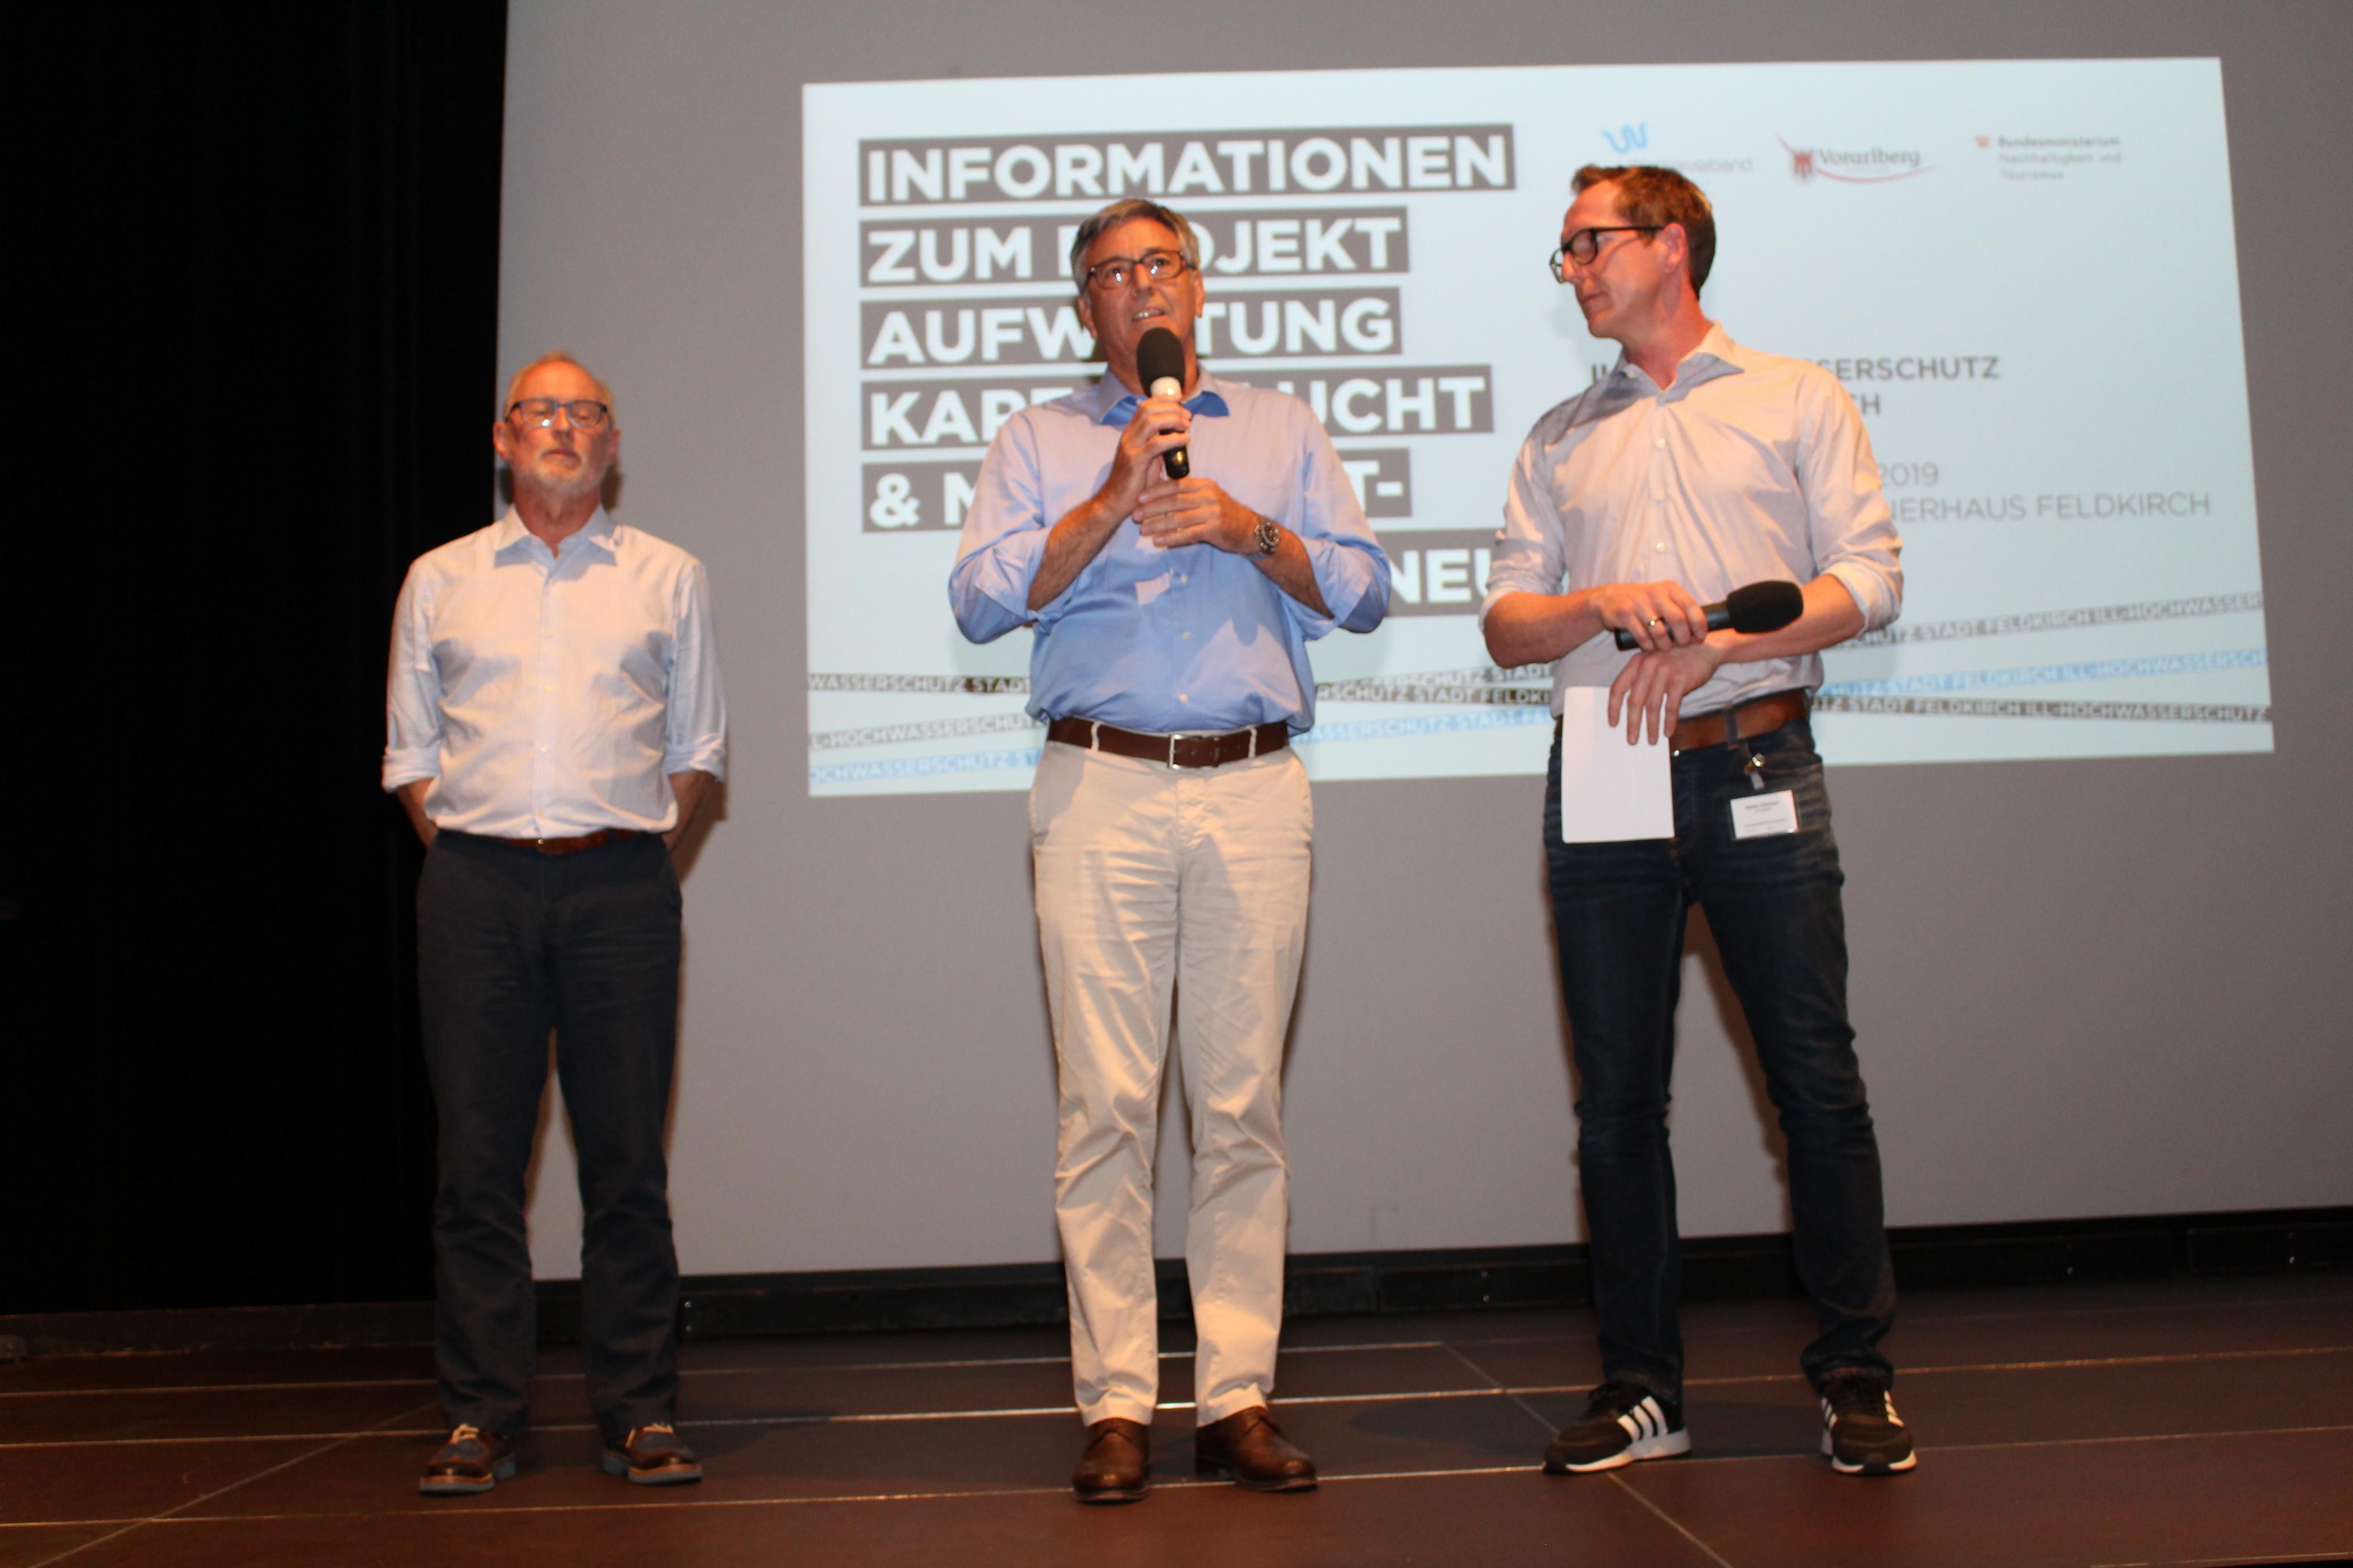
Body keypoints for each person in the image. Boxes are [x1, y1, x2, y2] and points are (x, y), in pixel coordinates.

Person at [950, 198, 1390, 1503]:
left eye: (1159, 265)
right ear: (1084, 307)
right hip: (1100, 782)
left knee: (1240, 1106)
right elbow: (978, 601)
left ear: (1195, 288)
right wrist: (1111, 495)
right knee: (1105, 1106)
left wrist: (1247, 528)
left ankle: (1236, 1395)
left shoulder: (1282, 428)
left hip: (1252, 784)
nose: (1139, 287)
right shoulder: (1039, 440)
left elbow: (1365, 591)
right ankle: (1117, 1404)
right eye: (1111, 273)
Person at [1482, 166, 1915, 1477]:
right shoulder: (1559, 436)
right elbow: (1508, 624)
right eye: (1564, 254)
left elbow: (1868, 580)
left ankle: (1856, 1376)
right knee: (1617, 1103)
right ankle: (1641, 1389)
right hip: (1605, 771)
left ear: (1670, 246)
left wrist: (1719, 640)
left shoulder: (1794, 396)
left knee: (1814, 1080)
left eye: (1588, 244)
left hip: (1754, 756)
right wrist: (1600, 604)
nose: (1572, 270)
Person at [384, 352, 726, 1495]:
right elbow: (410, 757)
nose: (564, 429)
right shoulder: (438, 577)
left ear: (612, 446)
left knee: (626, 1164)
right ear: (503, 436)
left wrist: (616, 855)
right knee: (477, 1169)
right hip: (474, 888)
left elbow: (696, 750)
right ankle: (480, 1416)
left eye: (587, 414)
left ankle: (640, 1412)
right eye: (542, 411)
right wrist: (485, 852)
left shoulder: (669, 576)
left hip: (619, 887)